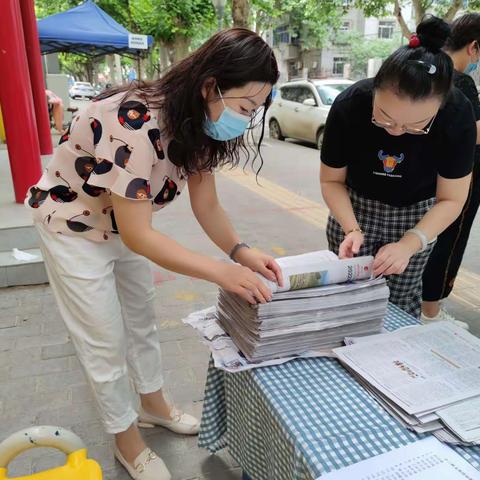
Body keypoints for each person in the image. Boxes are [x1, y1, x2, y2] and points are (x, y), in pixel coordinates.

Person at [25, 29, 282, 480]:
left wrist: (242, 251)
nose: (245, 121)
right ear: (210, 86)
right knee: (103, 338)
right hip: (72, 226)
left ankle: (153, 406)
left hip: (120, 226)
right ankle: (126, 440)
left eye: (254, 112)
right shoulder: (135, 121)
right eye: (244, 108)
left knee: (141, 316)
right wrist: (220, 272)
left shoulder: (198, 122)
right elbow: (142, 236)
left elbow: (207, 205)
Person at [320, 16, 476, 319]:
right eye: (384, 118)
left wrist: (410, 243)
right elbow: (331, 181)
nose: (395, 131)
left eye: (415, 126)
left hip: (417, 212)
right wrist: (351, 228)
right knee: (343, 295)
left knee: (401, 301)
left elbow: (452, 199)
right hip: (353, 206)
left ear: (440, 106)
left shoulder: (457, 115)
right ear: (375, 89)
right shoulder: (350, 104)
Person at [421, 13, 480, 327]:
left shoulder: (423, 68)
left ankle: (418, 303)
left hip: (424, 176)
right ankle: (430, 311)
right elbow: (472, 131)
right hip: (458, 179)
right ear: (473, 47)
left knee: (424, 239)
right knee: (448, 242)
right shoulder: (461, 81)